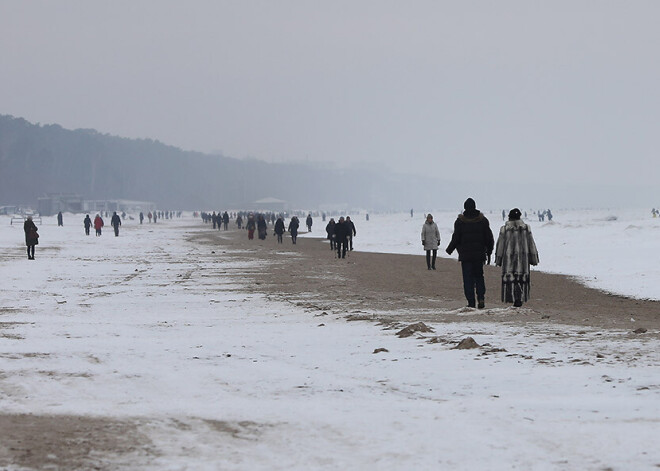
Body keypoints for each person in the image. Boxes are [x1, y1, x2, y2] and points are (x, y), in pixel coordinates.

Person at [446, 198, 494, 309]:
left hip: (466, 256)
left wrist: (450, 249)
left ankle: (471, 302)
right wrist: (490, 251)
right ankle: (481, 297)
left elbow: (456, 238)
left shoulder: (460, 222)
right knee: (479, 277)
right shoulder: (483, 221)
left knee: (468, 279)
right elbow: (489, 238)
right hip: (479, 256)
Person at [495, 208, 539, 307]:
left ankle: (513, 297)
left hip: (508, 260)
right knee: (521, 278)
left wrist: (499, 259)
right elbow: (531, 243)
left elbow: (500, 245)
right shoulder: (526, 228)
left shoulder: (505, 229)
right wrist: (533, 258)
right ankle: (519, 298)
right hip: (523, 261)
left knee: (511, 278)